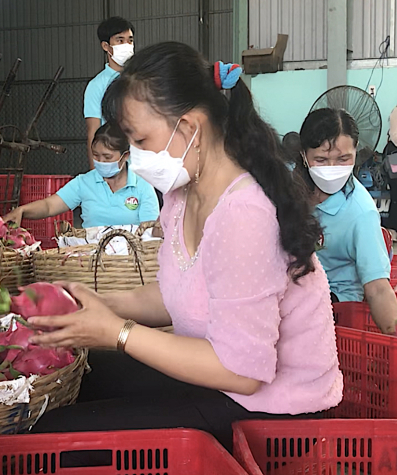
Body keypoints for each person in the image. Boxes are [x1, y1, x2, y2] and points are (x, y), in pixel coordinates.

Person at [27, 42, 342, 450]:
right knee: (77, 383)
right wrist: (104, 304)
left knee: (55, 440)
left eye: (140, 140)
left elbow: (242, 372)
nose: (135, 157)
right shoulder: (182, 194)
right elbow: (180, 293)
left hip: (274, 414)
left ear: (190, 128)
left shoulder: (244, 212)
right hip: (221, 382)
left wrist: (118, 333)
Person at [295, 108, 397, 333]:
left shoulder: (361, 212)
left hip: (336, 308)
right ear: (304, 156)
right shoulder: (290, 193)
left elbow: (378, 288)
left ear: (356, 151)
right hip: (296, 294)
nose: (331, 169)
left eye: (343, 159)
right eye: (321, 160)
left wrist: (392, 332)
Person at [4, 122, 159, 228]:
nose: (100, 161)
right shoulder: (85, 182)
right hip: (90, 262)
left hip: (130, 263)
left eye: (107, 157)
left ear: (125, 156)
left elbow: (150, 231)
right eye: (96, 155)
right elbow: (49, 206)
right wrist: (22, 211)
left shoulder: (142, 185)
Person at [84, 16, 135, 170]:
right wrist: (96, 173)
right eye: (120, 40)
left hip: (144, 166)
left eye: (130, 40)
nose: (126, 45)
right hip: (115, 166)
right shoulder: (96, 85)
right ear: (106, 46)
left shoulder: (143, 79)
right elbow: (93, 131)